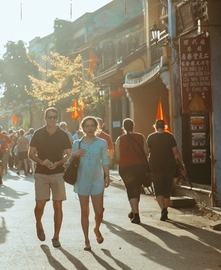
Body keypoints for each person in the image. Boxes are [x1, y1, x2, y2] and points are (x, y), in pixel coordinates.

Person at [28, 107, 72, 248]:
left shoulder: (63, 135)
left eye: (54, 117)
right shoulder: (38, 133)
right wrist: (41, 161)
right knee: (40, 204)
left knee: (57, 205)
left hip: (58, 172)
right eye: (50, 117)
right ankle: (39, 223)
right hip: (41, 173)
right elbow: (31, 153)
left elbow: (68, 153)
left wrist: (59, 162)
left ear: (57, 119)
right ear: (45, 118)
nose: (52, 120)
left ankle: (56, 236)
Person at [69, 116, 110, 250]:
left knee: (99, 212)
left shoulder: (102, 143)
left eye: (92, 125)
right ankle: (86, 240)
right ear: (83, 128)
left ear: (96, 127)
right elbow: (70, 161)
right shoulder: (77, 143)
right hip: (82, 180)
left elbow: (105, 160)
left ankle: (96, 229)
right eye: (87, 126)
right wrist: (76, 154)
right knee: (84, 212)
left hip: (97, 180)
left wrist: (107, 176)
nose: (90, 128)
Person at [147, 119, 184, 221]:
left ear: (155, 126)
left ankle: (163, 209)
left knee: (158, 189)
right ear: (164, 127)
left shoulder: (151, 137)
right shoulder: (170, 136)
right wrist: (182, 163)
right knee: (167, 188)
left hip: (155, 166)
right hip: (169, 166)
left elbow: (147, 152)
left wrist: (145, 164)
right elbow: (175, 152)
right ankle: (165, 210)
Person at [114, 118, 149, 224]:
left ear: (123, 127)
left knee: (130, 189)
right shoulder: (141, 137)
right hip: (139, 166)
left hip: (125, 167)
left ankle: (136, 214)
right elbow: (146, 153)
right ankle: (134, 211)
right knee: (137, 189)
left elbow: (118, 156)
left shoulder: (120, 139)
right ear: (133, 126)